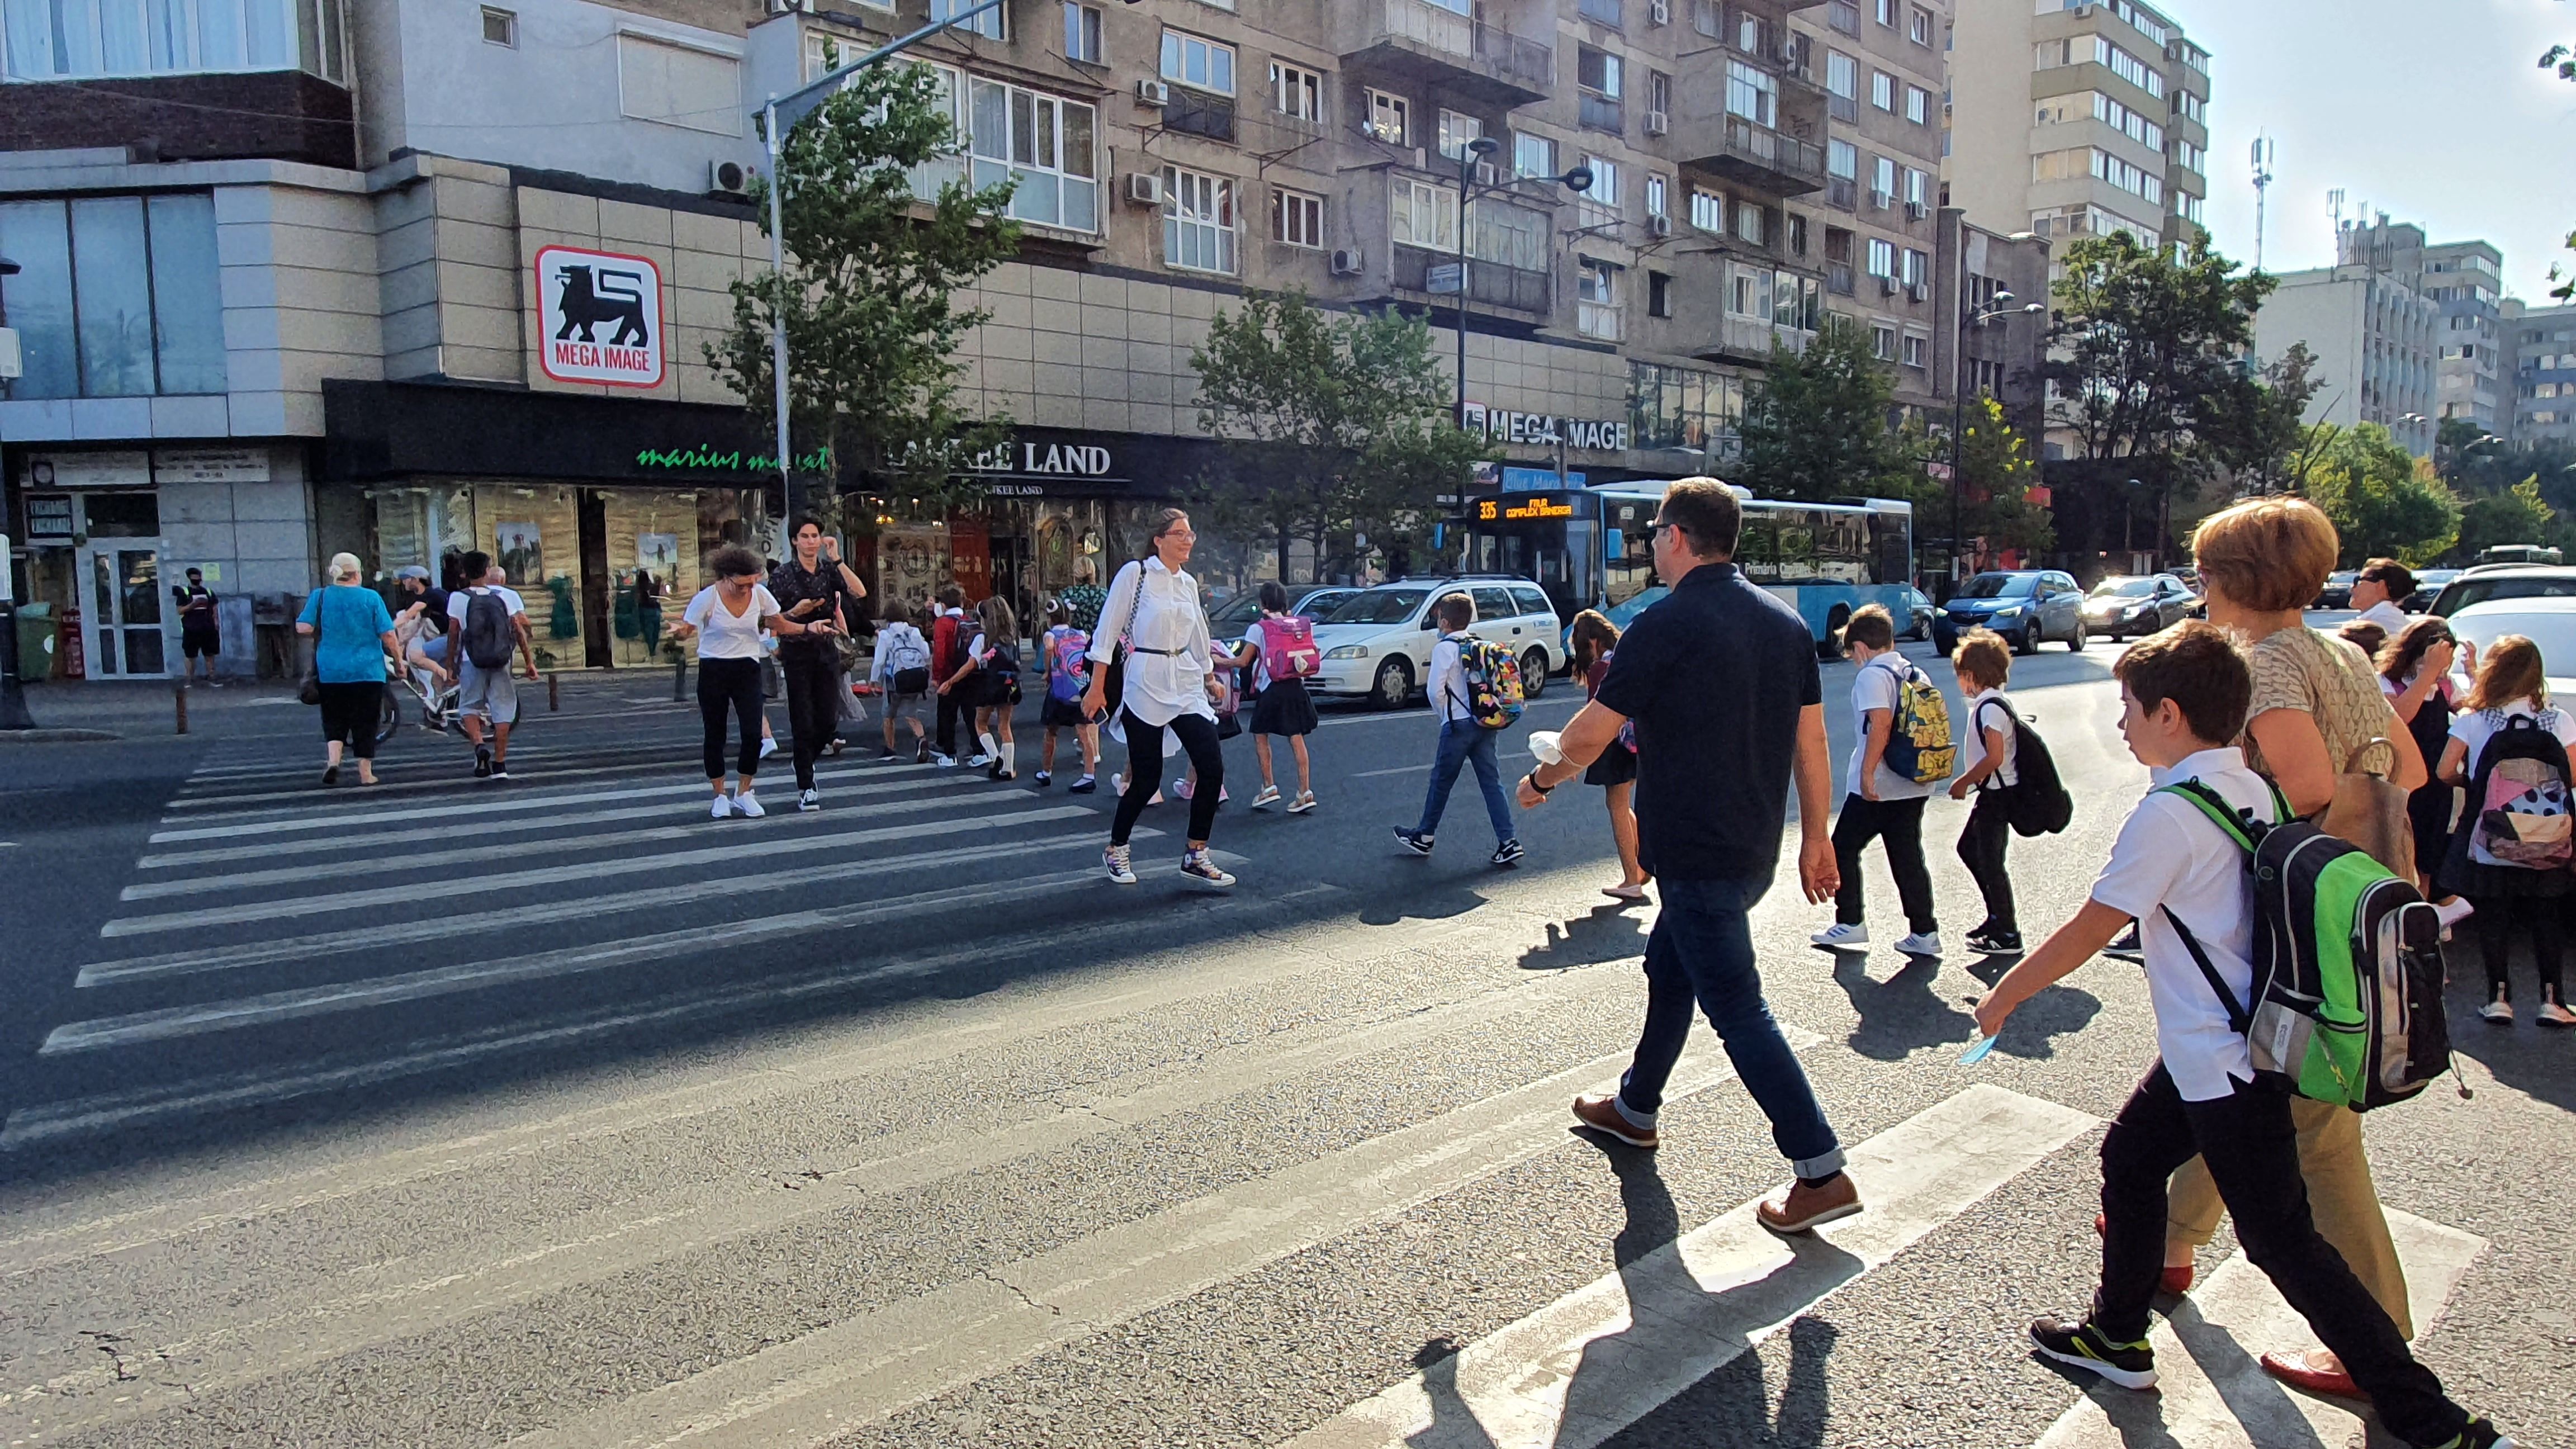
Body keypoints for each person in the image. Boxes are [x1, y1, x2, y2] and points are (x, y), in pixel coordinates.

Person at [1974, 623, 2512, 1449]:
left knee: (2283, 1244)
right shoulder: (2248, 788)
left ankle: (2427, 1416)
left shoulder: (2168, 816)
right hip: (2219, 1044)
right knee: (2130, 1158)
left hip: (2226, 1064)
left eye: (2128, 707)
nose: (2120, 723)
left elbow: (2093, 926)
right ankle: (2117, 1336)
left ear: (2170, 714)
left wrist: (2005, 995)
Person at [1515, 479, 1861, 1234]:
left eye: (1655, 533)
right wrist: (1817, 836)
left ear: (1676, 536)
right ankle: (1636, 1107)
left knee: (1737, 1007)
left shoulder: (1662, 626)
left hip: (1697, 851)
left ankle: (1821, 1168)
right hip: (1752, 847)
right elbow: (1813, 742)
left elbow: (1586, 738)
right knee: (1670, 972)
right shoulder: (1785, 626)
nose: (1651, 546)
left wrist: (1543, 778)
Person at [2160, 495, 2426, 1400]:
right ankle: (2168, 1239)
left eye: (2204, 575)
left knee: (2317, 1132)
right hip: (2360, 910)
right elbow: (2411, 771)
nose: (2198, 592)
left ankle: (2376, 1335)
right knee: (2255, 1083)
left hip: (2305, 927)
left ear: (2237, 581)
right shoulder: (2342, 652)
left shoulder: (2266, 662)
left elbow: (2306, 787)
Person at [1081, 508, 1234, 887]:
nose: (1188, 540)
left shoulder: (1187, 584)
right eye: (1179, 533)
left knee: (1211, 767)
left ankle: (1196, 853)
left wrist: (1209, 676)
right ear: (1159, 539)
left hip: (1183, 681)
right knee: (1147, 779)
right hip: (1145, 681)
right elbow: (1108, 632)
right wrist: (1097, 686)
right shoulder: (1136, 574)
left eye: (1190, 533)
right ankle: (1117, 847)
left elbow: (1198, 633)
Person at [2436, 632, 2576, 1027]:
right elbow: (2573, 776)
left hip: (2490, 833)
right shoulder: (2558, 720)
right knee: (2546, 915)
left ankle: (2498, 998)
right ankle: (2553, 1001)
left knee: (2494, 914)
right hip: (2545, 836)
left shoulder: (2474, 720)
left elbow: (2444, 771)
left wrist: (2476, 787)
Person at [1811, 603, 1941, 956]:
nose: (1853, 658)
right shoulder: (1912, 671)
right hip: (1914, 779)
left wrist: (1868, 774)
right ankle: (1924, 930)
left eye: (1852, 651)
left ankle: (1850, 921)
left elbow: (1880, 725)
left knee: (1843, 847)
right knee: (1906, 855)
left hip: (1880, 784)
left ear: (1862, 647)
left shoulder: (1872, 675)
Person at [670, 544, 834, 818]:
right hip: (714, 668)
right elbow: (687, 630)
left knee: (753, 734)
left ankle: (745, 792)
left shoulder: (759, 595)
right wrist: (679, 633)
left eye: (752, 583)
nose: (747, 589)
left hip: (747, 667)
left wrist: (809, 628)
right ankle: (719, 794)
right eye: (741, 584)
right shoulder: (707, 598)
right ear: (724, 577)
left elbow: (778, 624)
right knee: (715, 734)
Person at [1391, 593, 1523, 867]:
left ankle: (1425, 835)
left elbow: (1434, 690)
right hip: (1484, 722)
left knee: (1441, 781)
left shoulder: (1444, 648)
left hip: (1458, 724)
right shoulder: (1477, 645)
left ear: (1444, 620)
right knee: (1491, 783)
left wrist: (1444, 716)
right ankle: (1508, 841)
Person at [2379, 616, 2474, 929]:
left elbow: (2471, 714)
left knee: (2431, 853)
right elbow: (2400, 718)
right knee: (2404, 852)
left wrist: (2473, 677)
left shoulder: (2446, 685)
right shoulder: (2388, 682)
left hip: (2436, 782)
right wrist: (2426, 676)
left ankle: (2428, 926)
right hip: (2403, 779)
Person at [769, 518, 867, 812]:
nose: (812, 541)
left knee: (827, 721)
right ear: (795, 541)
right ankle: (806, 783)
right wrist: (795, 613)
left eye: (815, 536)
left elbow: (858, 592)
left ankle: (804, 758)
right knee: (803, 720)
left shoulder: (828, 571)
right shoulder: (783, 575)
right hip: (797, 653)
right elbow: (771, 619)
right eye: (805, 536)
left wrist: (837, 557)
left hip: (827, 653)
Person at [293, 553, 397, 787]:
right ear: (358, 573)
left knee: (334, 718)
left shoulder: (320, 596)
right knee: (367, 721)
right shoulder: (371, 597)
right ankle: (365, 773)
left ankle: (333, 761)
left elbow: (303, 627)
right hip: (367, 670)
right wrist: (399, 662)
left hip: (331, 669)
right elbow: (388, 634)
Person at [1948, 628, 2022, 953]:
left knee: (1989, 859)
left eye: (1962, 675)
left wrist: (1964, 781)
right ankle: (1997, 917)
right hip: (1992, 794)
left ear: (1973, 675)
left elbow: (1995, 756)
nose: (1960, 683)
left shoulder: (1990, 707)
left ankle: (2006, 931)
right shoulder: (1991, 702)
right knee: (1972, 850)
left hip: (1997, 796)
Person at [1568, 609, 1646, 901]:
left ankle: (1632, 879)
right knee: (1623, 805)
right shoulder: (1625, 657)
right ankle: (1642, 866)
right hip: (1637, 742)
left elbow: (1592, 720)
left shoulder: (1601, 668)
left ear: (1591, 641)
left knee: (1616, 807)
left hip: (1615, 747)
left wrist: (1572, 758)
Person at [444, 551, 539, 780]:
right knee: (503, 709)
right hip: (501, 661)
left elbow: (453, 634)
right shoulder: (503, 596)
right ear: (487, 571)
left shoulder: (458, 598)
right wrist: (529, 662)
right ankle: (500, 764)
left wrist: (450, 665)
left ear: (464, 573)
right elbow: (517, 629)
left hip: (471, 660)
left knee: (468, 706)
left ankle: (479, 745)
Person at [1229, 580, 1319, 813]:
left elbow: (1243, 661)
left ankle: (1269, 786)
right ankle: (1304, 791)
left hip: (1272, 688)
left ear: (1262, 603)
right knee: (1296, 737)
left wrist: (1217, 660)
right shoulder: (1297, 625)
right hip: (1296, 686)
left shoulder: (1259, 628)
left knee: (1260, 735)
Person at [939, 593, 1021, 781]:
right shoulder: (1012, 639)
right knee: (1005, 726)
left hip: (990, 686)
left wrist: (950, 682)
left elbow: (971, 665)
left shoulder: (983, 640)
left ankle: (995, 756)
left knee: (981, 723)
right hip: (1010, 686)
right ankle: (1009, 768)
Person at [1036, 599, 1100, 792]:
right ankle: (1089, 775)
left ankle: (1046, 772)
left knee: (1051, 731)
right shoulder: (1080, 633)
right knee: (1084, 733)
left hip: (1059, 691)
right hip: (1079, 688)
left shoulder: (1051, 634)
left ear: (1050, 618)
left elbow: (1048, 647)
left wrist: (1047, 671)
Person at [872, 599, 934, 763]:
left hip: (895, 681)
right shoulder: (914, 632)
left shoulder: (886, 635)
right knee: (911, 714)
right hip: (914, 677)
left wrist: (874, 680)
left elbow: (879, 661)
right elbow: (927, 653)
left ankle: (890, 748)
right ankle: (922, 739)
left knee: (888, 714)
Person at [391, 565, 453, 692]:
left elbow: (407, 616)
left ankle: (445, 675)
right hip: (446, 637)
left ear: (416, 580)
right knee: (435, 684)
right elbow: (414, 626)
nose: (404, 582)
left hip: (450, 638)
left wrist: (384, 628)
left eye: (406, 579)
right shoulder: (432, 595)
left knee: (415, 657)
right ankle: (439, 705)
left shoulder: (429, 595)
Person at [930, 584, 970, 766]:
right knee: (970, 713)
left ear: (944, 605)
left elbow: (940, 652)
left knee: (947, 713)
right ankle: (979, 748)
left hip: (949, 673)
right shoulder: (969, 620)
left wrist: (938, 676)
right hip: (969, 673)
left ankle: (948, 751)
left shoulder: (942, 623)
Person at [174, 567, 222, 685]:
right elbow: (180, 611)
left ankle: (212, 678)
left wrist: (216, 621)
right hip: (191, 629)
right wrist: (193, 605)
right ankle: (189, 680)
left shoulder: (208, 592)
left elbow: (214, 607)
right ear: (190, 578)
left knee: (210, 654)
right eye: (194, 577)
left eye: (199, 577)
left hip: (208, 628)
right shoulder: (184, 592)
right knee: (190, 655)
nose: (197, 579)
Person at [2350, 557, 2415, 634]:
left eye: (2358, 581)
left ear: (2381, 586)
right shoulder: (2384, 618)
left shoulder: (2383, 622)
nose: (2352, 588)